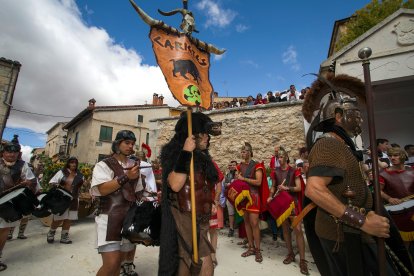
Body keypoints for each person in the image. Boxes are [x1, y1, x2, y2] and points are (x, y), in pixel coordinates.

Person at [302, 74, 397, 275]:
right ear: (338, 116)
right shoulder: (328, 144)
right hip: (342, 234)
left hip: (352, 231)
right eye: (354, 113)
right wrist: (363, 222)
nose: (359, 118)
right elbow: (314, 189)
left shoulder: (342, 145)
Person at [159, 111, 222, 275]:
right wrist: (186, 151)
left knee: (185, 262)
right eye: (203, 133)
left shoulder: (202, 157)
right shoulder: (176, 154)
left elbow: (205, 186)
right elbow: (175, 184)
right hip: (184, 217)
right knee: (205, 261)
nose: (207, 137)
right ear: (192, 135)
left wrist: (211, 202)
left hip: (201, 218)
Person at [90, 130, 141, 276]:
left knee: (119, 263)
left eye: (132, 143)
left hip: (128, 218)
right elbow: (102, 189)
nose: (130, 146)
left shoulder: (134, 164)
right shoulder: (103, 165)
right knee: (111, 263)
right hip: (108, 218)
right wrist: (126, 176)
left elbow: (138, 192)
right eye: (127, 143)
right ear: (117, 144)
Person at [267, 149, 308, 274]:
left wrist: (286, 188)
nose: (278, 159)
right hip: (282, 203)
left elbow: (299, 188)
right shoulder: (276, 172)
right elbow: (273, 186)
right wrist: (270, 195)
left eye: (280, 157)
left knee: (298, 230)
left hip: (292, 203)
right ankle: (290, 253)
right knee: (285, 229)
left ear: (286, 158)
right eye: (277, 157)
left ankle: (302, 260)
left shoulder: (293, 171)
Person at [0, 135, 37, 271]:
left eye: (14, 152)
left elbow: (32, 181)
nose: (11, 154)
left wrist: (27, 183)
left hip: (9, 201)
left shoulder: (23, 166)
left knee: (3, 229)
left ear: (18, 154)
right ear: (3, 152)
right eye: (8, 151)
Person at [236, 142, 269, 263]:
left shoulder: (257, 165)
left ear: (249, 152)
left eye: (244, 151)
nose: (242, 153)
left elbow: (259, 182)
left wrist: (243, 179)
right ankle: (250, 247)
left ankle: (258, 249)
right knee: (246, 223)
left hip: (254, 197)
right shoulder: (239, 166)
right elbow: (238, 181)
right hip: (244, 198)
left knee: (254, 223)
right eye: (241, 151)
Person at [379, 147, 414, 259]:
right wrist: (389, 198)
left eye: (396, 155)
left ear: (403, 156)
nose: (392, 158)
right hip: (399, 214)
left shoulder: (412, 170)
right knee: (404, 244)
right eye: (390, 155)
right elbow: (377, 190)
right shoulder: (383, 173)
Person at [47, 156, 85, 244]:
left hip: (74, 199)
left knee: (69, 219)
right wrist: (58, 187)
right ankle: (51, 233)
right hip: (61, 198)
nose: (73, 164)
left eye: (75, 162)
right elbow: (52, 182)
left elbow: (81, 186)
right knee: (58, 218)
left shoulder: (80, 175)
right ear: (68, 163)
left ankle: (64, 236)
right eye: (72, 162)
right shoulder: (62, 172)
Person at [223, 161, 237, 237]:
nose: (232, 166)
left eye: (233, 165)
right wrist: (227, 184)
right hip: (230, 196)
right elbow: (224, 184)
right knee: (230, 213)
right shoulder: (228, 175)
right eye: (230, 165)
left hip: (239, 196)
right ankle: (231, 228)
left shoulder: (239, 174)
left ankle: (240, 228)